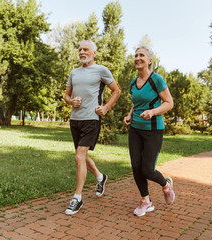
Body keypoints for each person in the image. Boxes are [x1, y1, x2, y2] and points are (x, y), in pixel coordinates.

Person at [64, 40, 121, 215]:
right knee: (80, 156)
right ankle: (100, 176)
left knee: (80, 156)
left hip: (91, 119)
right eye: (80, 49)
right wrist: (71, 101)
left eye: (85, 49)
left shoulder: (101, 70)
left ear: (94, 53)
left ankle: (77, 198)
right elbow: (66, 95)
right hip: (75, 119)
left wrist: (105, 108)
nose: (82, 52)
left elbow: (116, 91)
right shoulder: (73, 72)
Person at [123, 45, 175, 217]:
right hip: (135, 129)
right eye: (136, 55)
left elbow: (169, 103)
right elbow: (136, 103)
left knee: (147, 169)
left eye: (142, 55)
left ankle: (166, 184)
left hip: (153, 130)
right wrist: (130, 115)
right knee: (136, 167)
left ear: (150, 60)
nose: (138, 58)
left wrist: (152, 112)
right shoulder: (133, 82)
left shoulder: (156, 79)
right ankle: (146, 201)